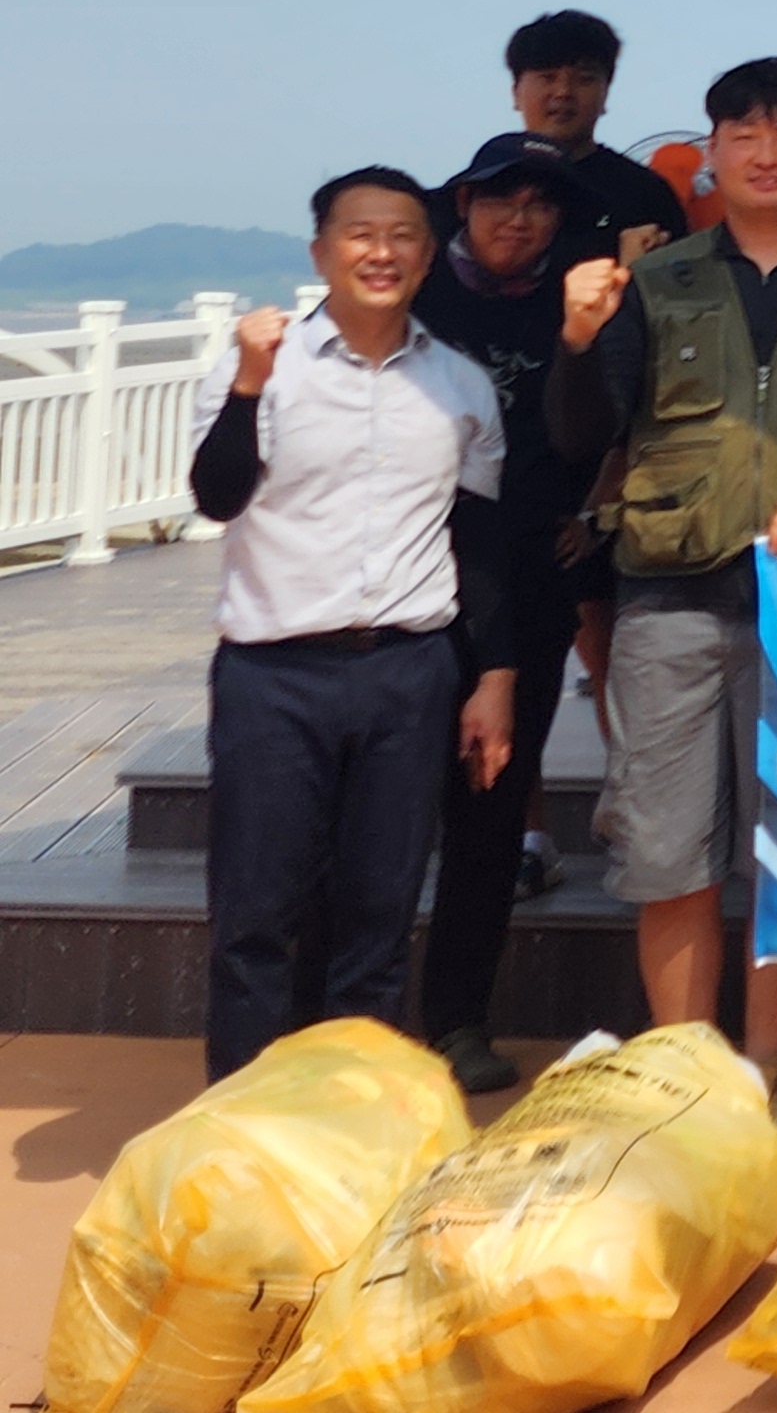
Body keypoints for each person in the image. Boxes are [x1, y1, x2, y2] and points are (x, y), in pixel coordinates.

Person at [549, 58, 777, 1122]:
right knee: (668, 849)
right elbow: (583, 433)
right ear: (711, 152)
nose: (767, 153)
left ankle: (758, 1072)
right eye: (744, 134)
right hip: (666, 593)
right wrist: (577, 339)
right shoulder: (656, 284)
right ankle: (683, 1077)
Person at [187, 169, 513, 1082]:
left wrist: (494, 674)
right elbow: (217, 495)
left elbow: (479, 543)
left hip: (408, 672)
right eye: (360, 233)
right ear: (322, 251)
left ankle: (351, 1120)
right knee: (256, 916)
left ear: (427, 254)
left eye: (403, 234)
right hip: (273, 674)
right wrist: (251, 387)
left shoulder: (460, 385)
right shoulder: (258, 365)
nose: (382, 252)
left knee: (379, 914)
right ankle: (242, 1122)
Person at [409, 135, 601, 1095]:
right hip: (399, 591)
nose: (517, 221)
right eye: (499, 202)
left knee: (488, 817)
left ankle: (456, 1020)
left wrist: (590, 510)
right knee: (380, 814)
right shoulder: (412, 297)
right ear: (462, 204)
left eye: (538, 207)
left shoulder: (580, 306)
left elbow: (614, 423)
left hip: (526, 587)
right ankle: (342, 1021)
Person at [502, 10, 689, 247]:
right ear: (515, 92)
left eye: (584, 79)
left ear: (606, 93)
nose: (563, 92)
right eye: (547, 78)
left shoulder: (645, 194)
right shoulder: (484, 181)